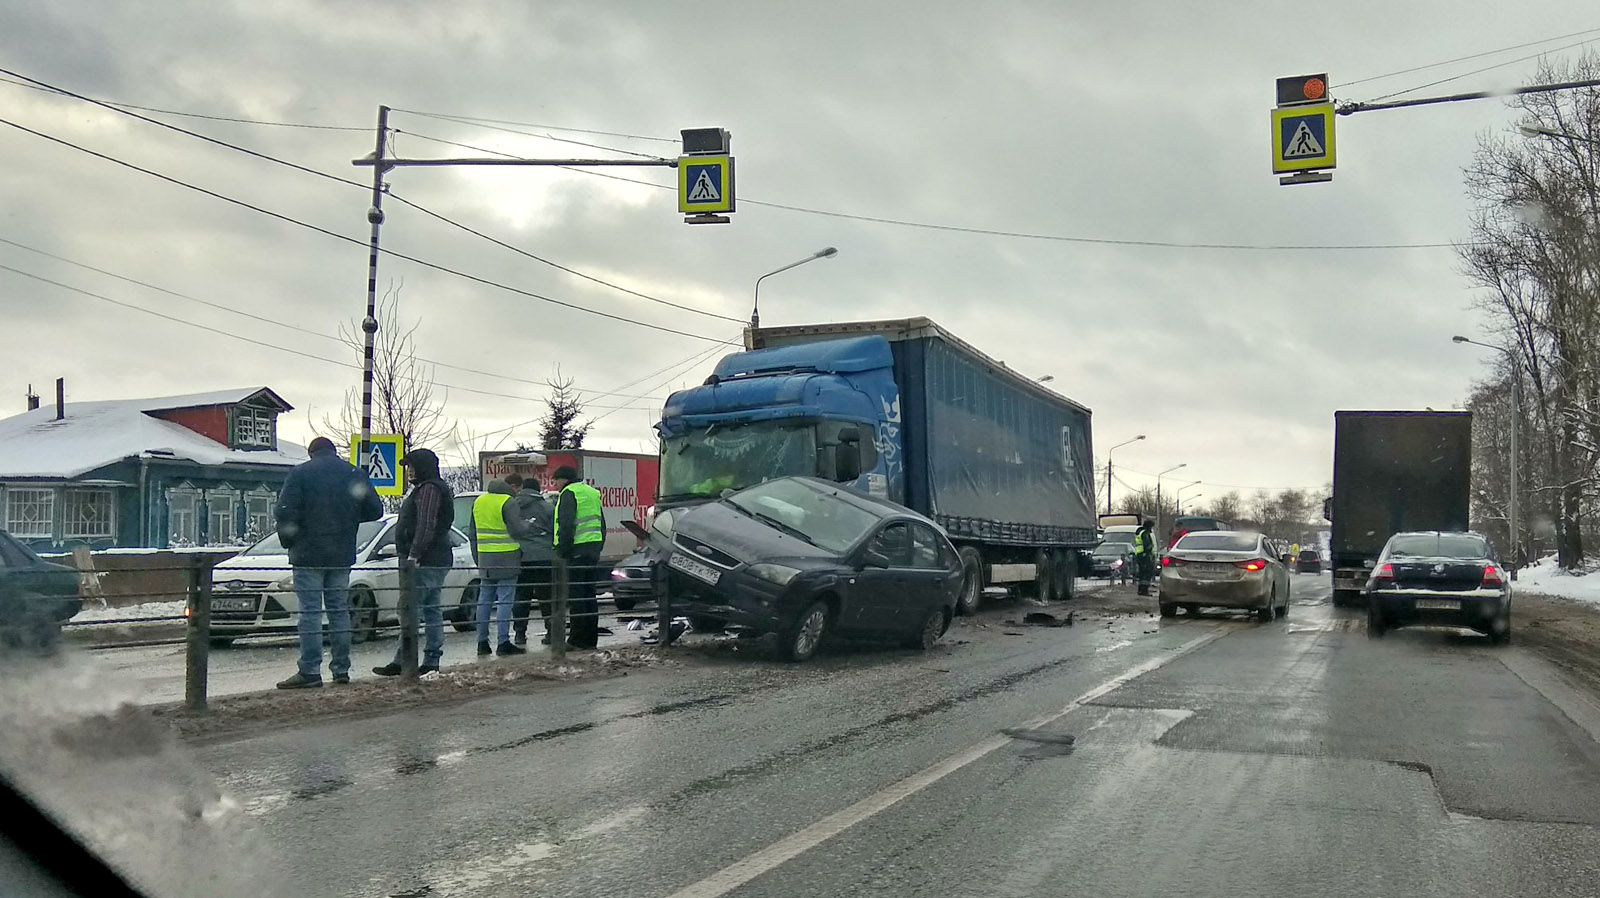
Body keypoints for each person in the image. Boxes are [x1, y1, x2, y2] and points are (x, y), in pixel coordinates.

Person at [273, 436, 383, 689]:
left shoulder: (300, 474)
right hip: (341, 553)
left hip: (307, 553)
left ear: (312, 453)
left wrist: (290, 537)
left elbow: (285, 510)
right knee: (338, 611)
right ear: (333, 452)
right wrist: (349, 517)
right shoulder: (353, 473)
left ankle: (310, 671)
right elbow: (375, 511)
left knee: (310, 612)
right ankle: (341, 669)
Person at [373, 448, 454, 677]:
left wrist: (414, 555)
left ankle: (407, 660)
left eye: (412, 467)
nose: (409, 472)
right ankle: (427, 659)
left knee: (412, 610)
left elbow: (426, 524)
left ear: (423, 467)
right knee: (429, 610)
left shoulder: (429, 489)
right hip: (432, 558)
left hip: (425, 560)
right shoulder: (428, 488)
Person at [468, 478, 529, 657]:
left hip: (485, 557)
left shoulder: (478, 502)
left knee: (484, 599)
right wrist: (528, 524)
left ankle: (482, 642)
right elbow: (517, 530)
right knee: (505, 600)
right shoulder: (507, 502)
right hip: (507, 557)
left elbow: (472, 534)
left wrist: (477, 557)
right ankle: (503, 642)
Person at [552, 466, 605, 650]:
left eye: (556, 480)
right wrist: (598, 546)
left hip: (575, 551)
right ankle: (591, 639)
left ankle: (577, 639)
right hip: (592, 549)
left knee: (577, 597)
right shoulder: (592, 493)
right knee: (590, 595)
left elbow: (566, 525)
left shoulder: (568, 493)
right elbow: (602, 523)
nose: (555, 484)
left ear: (564, 479)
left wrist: (564, 551)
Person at [505, 473, 556, 646]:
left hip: (520, 556)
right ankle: (551, 632)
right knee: (547, 596)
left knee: (521, 596)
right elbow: (554, 531)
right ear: (538, 490)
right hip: (544, 557)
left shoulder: (512, 507)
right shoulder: (547, 507)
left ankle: (520, 633)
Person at [1133, 518, 1157, 597]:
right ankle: (1144, 591)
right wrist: (1149, 553)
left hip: (1140, 555)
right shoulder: (1145, 533)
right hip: (1145, 555)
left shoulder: (1140, 532)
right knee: (1147, 573)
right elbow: (1147, 545)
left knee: (1142, 573)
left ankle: (1141, 590)